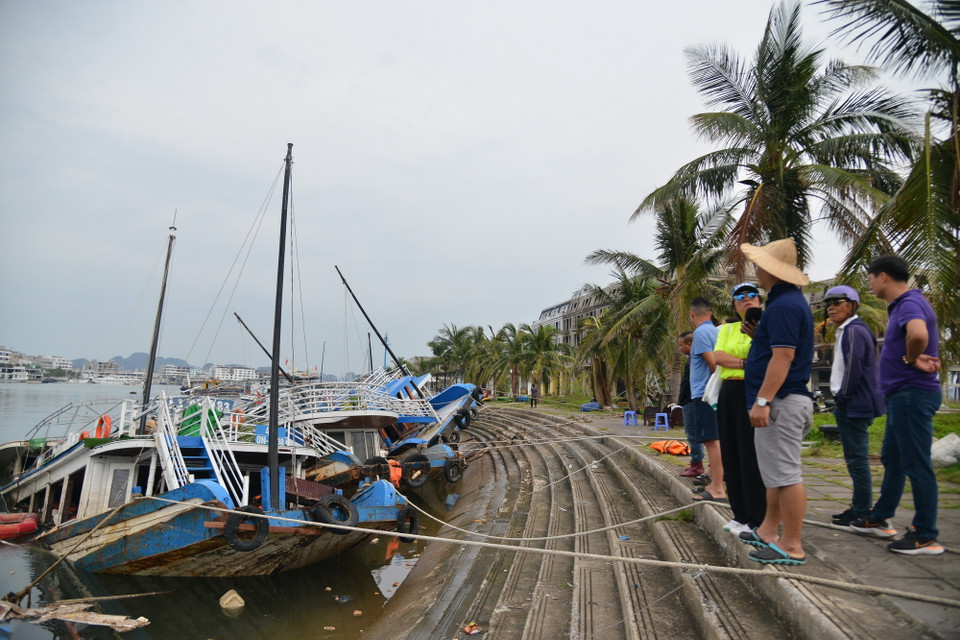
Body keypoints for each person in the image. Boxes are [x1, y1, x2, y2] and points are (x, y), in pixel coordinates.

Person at [850, 255, 943, 555]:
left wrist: (911, 358)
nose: (870, 283)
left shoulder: (909, 304)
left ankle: (925, 533)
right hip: (902, 395)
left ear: (884, 277)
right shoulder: (906, 305)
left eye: (871, 278)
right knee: (893, 457)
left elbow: (917, 334)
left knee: (917, 464)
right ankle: (880, 518)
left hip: (911, 394)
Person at [739, 238, 813, 565]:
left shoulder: (784, 307)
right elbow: (775, 351)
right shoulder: (783, 303)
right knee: (774, 474)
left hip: (782, 401)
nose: (756, 270)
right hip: (781, 400)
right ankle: (769, 531)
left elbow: (783, 358)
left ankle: (792, 545)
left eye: (759, 264)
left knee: (786, 475)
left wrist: (764, 400)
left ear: (772, 269)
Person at [823, 285, 884, 527]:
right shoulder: (846, 330)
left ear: (853, 305)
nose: (832, 307)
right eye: (829, 303)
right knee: (853, 458)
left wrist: (843, 398)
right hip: (851, 403)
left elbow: (854, 368)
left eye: (838, 302)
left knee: (857, 459)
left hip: (854, 404)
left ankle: (862, 510)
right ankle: (859, 506)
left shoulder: (854, 330)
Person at [712, 282, 766, 535]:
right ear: (734, 303)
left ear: (759, 300)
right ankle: (739, 513)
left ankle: (757, 515)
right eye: (740, 296)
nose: (746, 299)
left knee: (750, 453)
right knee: (730, 451)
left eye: (752, 295)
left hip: (753, 390)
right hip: (729, 390)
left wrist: (742, 363)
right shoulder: (728, 328)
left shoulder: (767, 325)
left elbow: (767, 356)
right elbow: (718, 357)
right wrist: (747, 362)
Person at [685, 298, 725, 501]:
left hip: (704, 393)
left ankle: (717, 487)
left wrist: (713, 388)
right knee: (715, 438)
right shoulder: (716, 331)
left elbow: (713, 363)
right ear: (710, 313)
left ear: (692, 314)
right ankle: (712, 476)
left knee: (711, 440)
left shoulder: (700, 333)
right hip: (713, 392)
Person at [676, 332, 696, 470]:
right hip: (686, 399)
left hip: (691, 399)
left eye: (681, 345)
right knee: (690, 433)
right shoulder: (691, 359)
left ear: (689, 344)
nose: (680, 349)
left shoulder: (696, 359)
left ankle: (697, 463)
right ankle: (695, 463)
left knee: (693, 433)